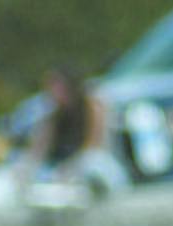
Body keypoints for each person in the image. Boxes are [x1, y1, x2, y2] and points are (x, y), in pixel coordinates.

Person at [25, 67, 131, 198]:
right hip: (68, 170)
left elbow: (94, 145)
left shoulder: (92, 103)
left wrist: (70, 169)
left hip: (100, 168)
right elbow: (38, 150)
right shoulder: (54, 114)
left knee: (90, 163)